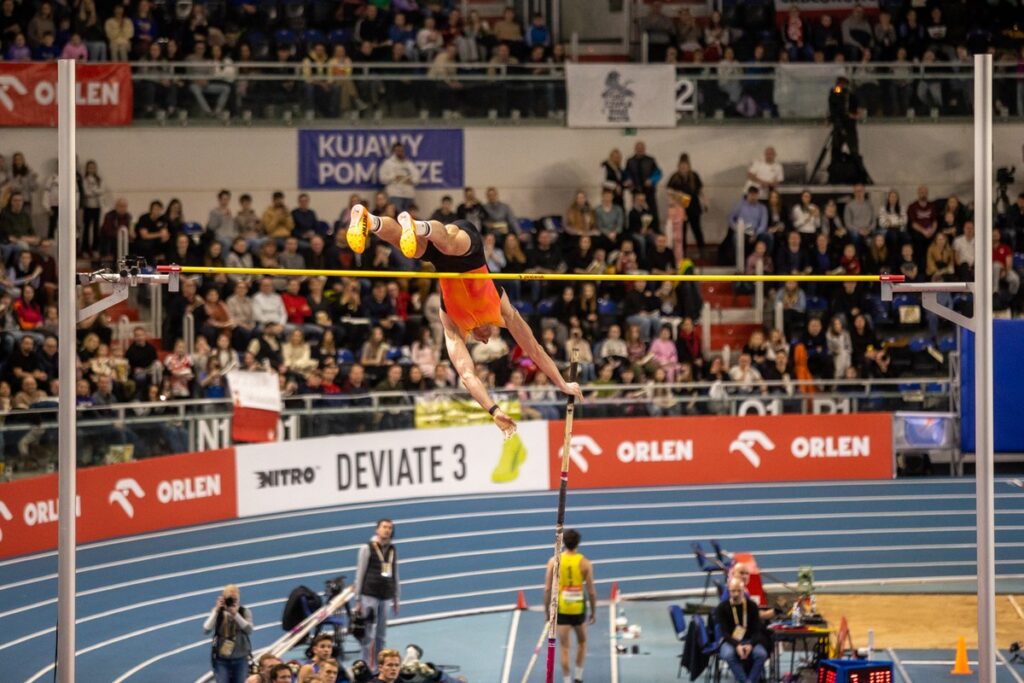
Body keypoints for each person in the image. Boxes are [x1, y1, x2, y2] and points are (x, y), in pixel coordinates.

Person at [346, 206, 583, 436]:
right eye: (489, 339)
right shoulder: (503, 312)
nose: (485, 340)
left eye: (481, 342)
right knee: (448, 242)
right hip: (469, 255)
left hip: (442, 264)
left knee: (406, 245)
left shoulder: (450, 322)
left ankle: (370, 220)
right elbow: (535, 350)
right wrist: (562, 383)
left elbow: (467, 375)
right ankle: (417, 224)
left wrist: (494, 410)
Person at [544, 529, 597, 683]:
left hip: (562, 609)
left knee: (564, 647)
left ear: (563, 543)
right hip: (578, 609)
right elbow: (592, 591)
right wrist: (593, 612)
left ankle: (567, 681)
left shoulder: (554, 561)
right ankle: (578, 677)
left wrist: (548, 612)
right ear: (578, 543)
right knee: (582, 642)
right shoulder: (585, 563)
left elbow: (547, 589)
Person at [353, 519, 400, 666]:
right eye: (384, 527)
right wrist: (358, 599)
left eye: (390, 528)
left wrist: (396, 597)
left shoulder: (392, 549)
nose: (387, 530)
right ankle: (364, 664)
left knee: (381, 634)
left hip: (385, 596)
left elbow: (395, 573)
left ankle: (380, 665)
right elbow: (360, 573)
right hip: (369, 595)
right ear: (377, 530)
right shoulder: (366, 548)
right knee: (368, 634)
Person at [714, 577, 770, 683]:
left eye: (739, 591)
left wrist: (751, 645)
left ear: (744, 590)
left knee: (761, 654)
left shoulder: (752, 606)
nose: (735, 594)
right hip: (730, 641)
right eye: (733, 591)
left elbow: (757, 630)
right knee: (728, 655)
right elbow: (724, 633)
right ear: (728, 591)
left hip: (749, 640)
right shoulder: (722, 608)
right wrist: (737, 645)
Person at [203, 584, 254, 683]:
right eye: (230, 599)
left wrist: (235, 614)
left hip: (241, 658)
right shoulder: (218, 613)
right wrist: (216, 611)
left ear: (239, 598)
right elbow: (206, 630)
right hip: (222, 660)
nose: (232, 602)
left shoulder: (244, 612)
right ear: (224, 598)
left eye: (235, 599)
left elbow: (249, 630)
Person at [378, 143, 419, 213]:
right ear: (393, 151)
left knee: (408, 217)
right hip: (395, 194)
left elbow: (417, 177)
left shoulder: (409, 163)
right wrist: (394, 177)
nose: (400, 152)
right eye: (398, 150)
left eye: (402, 150)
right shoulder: (388, 163)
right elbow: (382, 178)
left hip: (408, 194)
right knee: (397, 215)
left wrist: (411, 180)